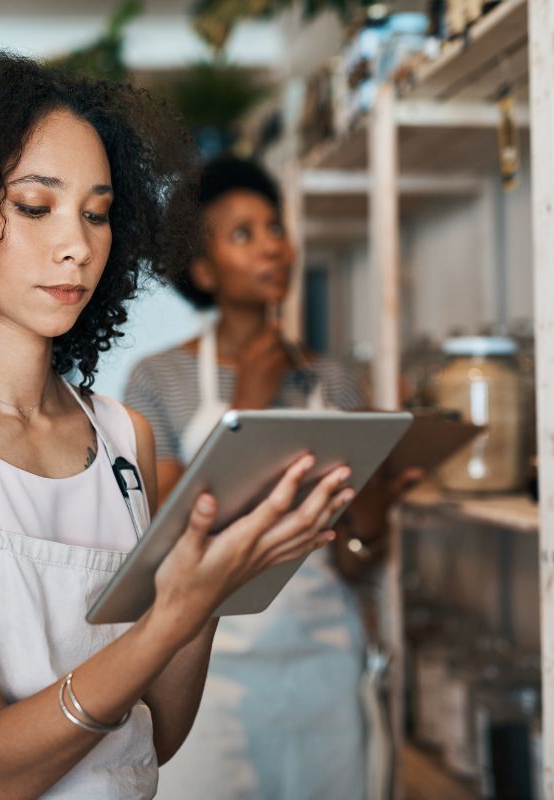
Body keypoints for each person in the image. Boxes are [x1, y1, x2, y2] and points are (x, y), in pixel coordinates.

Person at [0, 52, 358, 799]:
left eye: (97, 212)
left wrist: (213, 589)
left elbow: (155, 735)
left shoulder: (125, 437)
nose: (79, 244)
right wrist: (177, 613)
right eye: (36, 206)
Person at [125, 156, 418, 800]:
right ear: (203, 271)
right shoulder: (158, 380)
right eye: (243, 234)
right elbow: (173, 534)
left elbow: (358, 556)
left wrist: (376, 481)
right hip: (206, 669)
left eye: (275, 227)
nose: (272, 246)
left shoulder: (334, 380)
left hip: (323, 662)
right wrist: (251, 406)